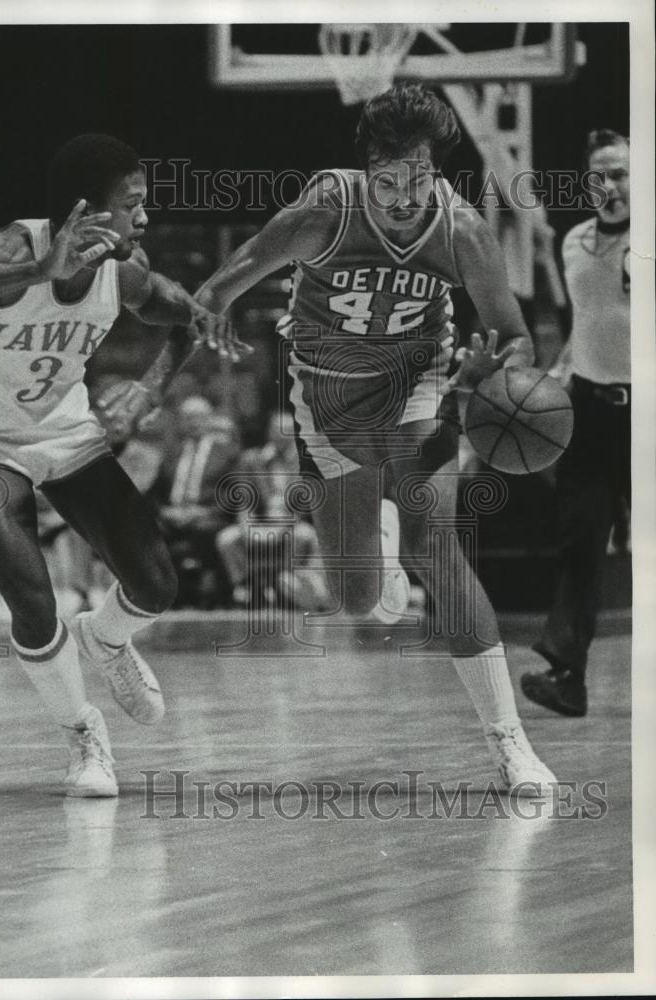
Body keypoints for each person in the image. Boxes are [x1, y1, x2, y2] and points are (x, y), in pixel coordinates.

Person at [196, 83, 557, 794]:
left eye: (417, 181)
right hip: (326, 396)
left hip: (418, 384)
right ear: (367, 171)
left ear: (437, 174)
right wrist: (213, 309)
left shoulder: (461, 233)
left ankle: (509, 742)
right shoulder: (324, 210)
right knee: (356, 599)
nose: (401, 197)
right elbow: (223, 282)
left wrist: (490, 374)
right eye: (388, 181)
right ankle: (378, 539)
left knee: (435, 539)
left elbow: (513, 336)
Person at [0, 133, 240, 797]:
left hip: (65, 431)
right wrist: (36, 273)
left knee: (155, 584)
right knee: (29, 596)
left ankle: (108, 640)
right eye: (133, 203)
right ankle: (82, 733)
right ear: (88, 208)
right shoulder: (11, 251)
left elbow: (192, 317)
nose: (144, 217)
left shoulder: (128, 272)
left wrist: (149, 388)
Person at [521, 130, 631, 717]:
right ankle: (567, 675)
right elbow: (584, 323)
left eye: (620, 173)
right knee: (579, 541)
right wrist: (558, 373)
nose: (608, 185)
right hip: (590, 410)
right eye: (599, 176)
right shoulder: (573, 243)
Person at [215, 410, 330, 610]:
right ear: (269, 432)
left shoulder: (304, 462)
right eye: (277, 430)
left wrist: (281, 530)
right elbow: (244, 502)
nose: (281, 434)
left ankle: (288, 586)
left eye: (286, 430)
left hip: (292, 524)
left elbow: (301, 508)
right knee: (226, 539)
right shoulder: (250, 459)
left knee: (306, 536)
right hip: (257, 523)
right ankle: (246, 586)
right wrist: (246, 529)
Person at [150, 395, 240, 606]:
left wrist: (202, 512)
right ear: (180, 422)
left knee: (202, 530)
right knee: (146, 531)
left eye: (199, 417)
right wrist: (164, 512)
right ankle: (159, 593)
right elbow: (154, 493)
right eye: (188, 418)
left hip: (210, 517)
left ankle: (209, 590)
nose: (193, 423)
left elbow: (235, 495)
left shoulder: (226, 453)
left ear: (210, 419)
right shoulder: (171, 453)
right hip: (172, 518)